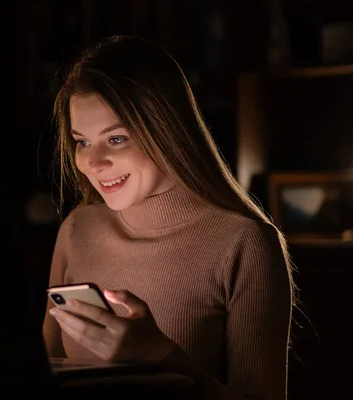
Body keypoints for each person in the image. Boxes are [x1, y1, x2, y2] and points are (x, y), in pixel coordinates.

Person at [42, 35, 296, 400]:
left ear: (167, 130)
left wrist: (159, 355)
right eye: (82, 141)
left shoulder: (245, 241)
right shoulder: (77, 229)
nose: (93, 163)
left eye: (116, 139)